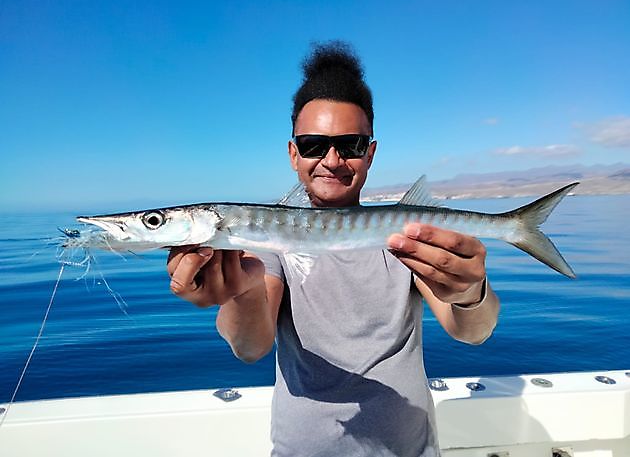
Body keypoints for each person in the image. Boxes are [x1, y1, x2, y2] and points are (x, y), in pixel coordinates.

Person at [167, 42, 500, 457]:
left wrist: (470, 291)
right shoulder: (266, 239)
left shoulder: (408, 236)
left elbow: (473, 331)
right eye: (312, 145)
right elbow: (250, 347)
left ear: (370, 153)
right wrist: (241, 289)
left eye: (351, 145)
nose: (332, 160)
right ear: (293, 153)